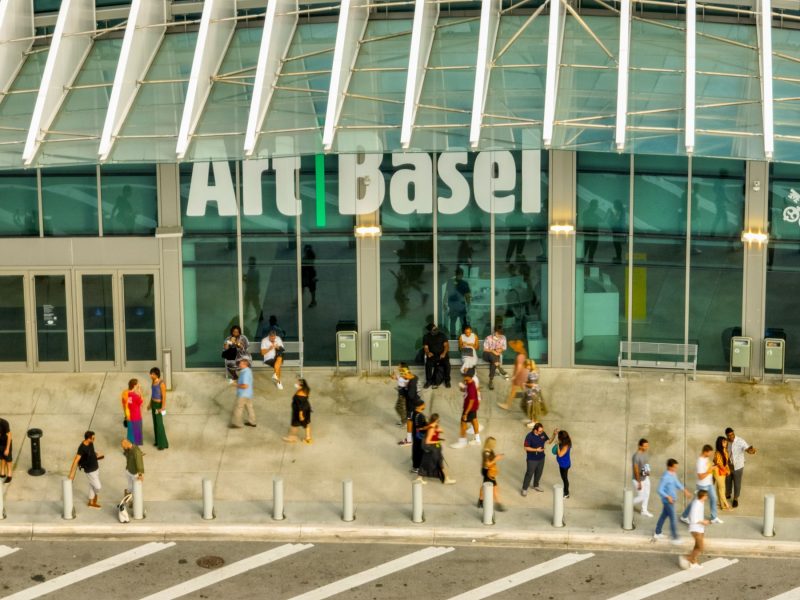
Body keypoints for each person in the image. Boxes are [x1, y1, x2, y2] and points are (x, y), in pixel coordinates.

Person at [680, 444, 723, 525]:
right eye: (709, 453)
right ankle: (684, 516)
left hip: (709, 484)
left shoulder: (706, 458)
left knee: (714, 498)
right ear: (705, 452)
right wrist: (710, 470)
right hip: (702, 485)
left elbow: (709, 468)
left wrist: (715, 466)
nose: (710, 454)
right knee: (695, 501)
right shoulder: (700, 461)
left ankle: (714, 518)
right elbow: (700, 477)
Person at [653, 458, 692, 544]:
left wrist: (685, 491)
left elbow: (677, 484)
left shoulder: (673, 474)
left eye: (676, 467)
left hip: (672, 500)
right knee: (673, 519)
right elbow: (659, 490)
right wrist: (668, 497)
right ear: (669, 467)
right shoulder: (665, 477)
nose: (675, 469)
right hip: (668, 501)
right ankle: (675, 538)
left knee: (663, 516)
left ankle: (657, 532)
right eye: (674, 467)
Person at [68, 431, 104, 509]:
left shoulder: (91, 443)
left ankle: (91, 502)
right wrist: (71, 473)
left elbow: (91, 451)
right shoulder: (82, 448)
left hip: (96, 467)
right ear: (88, 439)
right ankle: (94, 495)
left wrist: (96, 454)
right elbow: (76, 460)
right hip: (90, 470)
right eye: (93, 438)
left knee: (92, 485)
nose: (94, 439)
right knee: (98, 487)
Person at [417, 413, 456, 485]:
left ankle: (419, 478)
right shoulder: (431, 428)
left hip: (435, 448)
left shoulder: (433, 426)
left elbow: (441, 430)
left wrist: (437, 429)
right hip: (431, 448)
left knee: (430, 462)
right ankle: (446, 479)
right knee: (437, 462)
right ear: (437, 419)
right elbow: (427, 441)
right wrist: (437, 440)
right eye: (438, 419)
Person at [725, 426, 756, 508]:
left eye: (732, 434)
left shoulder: (740, 441)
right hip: (728, 465)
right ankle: (728, 493)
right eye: (729, 435)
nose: (731, 436)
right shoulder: (725, 442)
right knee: (727, 481)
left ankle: (735, 499)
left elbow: (747, 449)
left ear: (734, 433)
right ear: (726, 436)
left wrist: (751, 451)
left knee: (737, 483)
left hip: (738, 466)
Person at [679, 490, 710, 570]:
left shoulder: (701, 503)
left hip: (700, 529)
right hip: (695, 529)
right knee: (701, 547)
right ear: (702, 496)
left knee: (697, 546)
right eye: (706, 496)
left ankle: (693, 563)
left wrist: (703, 523)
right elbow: (693, 518)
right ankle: (687, 558)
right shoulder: (696, 504)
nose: (707, 497)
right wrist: (703, 521)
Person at [449, 371, 481, 449]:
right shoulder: (469, 382)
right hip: (473, 408)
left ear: (469, 377)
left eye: (465, 375)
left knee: (463, 423)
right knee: (474, 420)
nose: (463, 376)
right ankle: (477, 440)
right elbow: (467, 391)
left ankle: (462, 442)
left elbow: (471, 401)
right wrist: (462, 389)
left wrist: (466, 413)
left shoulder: (471, 387)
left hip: (469, 408)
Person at [521, 422, 550, 495]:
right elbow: (526, 447)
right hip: (532, 459)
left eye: (542, 430)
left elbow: (548, 441)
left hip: (541, 458)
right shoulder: (529, 436)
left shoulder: (542, 433)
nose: (542, 432)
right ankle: (524, 489)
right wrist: (536, 450)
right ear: (535, 430)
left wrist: (554, 434)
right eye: (540, 431)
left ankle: (536, 485)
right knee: (529, 473)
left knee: (539, 473)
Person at [498, 340, 528, 410]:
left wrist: (515, 376)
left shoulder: (520, 356)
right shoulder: (523, 354)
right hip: (522, 374)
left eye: (514, 347)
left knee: (520, 390)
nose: (513, 348)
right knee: (521, 390)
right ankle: (508, 404)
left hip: (520, 375)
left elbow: (519, 367)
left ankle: (508, 405)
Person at [478, 437, 505, 512]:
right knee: (494, 487)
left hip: (488, 471)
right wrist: (496, 459)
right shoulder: (486, 453)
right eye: (494, 443)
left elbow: (491, 459)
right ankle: (498, 504)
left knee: (485, 486)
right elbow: (488, 464)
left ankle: (480, 500)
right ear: (490, 444)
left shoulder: (490, 450)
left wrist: (497, 456)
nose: (495, 445)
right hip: (488, 471)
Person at [397, 367, 422, 446]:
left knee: (410, 421)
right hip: (416, 403)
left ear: (407, 374)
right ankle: (413, 438)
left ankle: (409, 440)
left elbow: (411, 396)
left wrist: (403, 390)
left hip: (411, 405)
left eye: (404, 376)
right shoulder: (415, 377)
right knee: (414, 420)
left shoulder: (411, 385)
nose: (404, 378)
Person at [283, 378, 312, 444]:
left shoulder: (300, 395)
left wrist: (301, 414)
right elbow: (304, 401)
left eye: (297, 384)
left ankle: (292, 438)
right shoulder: (306, 389)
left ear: (301, 385)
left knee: (294, 424)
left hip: (299, 411)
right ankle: (308, 438)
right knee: (306, 423)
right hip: (306, 408)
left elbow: (300, 406)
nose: (296, 384)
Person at [230, 358, 257, 429]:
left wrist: (235, 385)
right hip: (249, 394)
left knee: (238, 408)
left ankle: (237, 423)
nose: (239, 364)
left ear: (245, 364)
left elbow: (245, 386)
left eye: (240, 363)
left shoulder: (245, 373)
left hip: (243, 395)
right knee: (249, 408)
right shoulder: (248, 370)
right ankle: (252, 422)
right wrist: (238, 381)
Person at [422, 323, 450, 389]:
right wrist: (428, 352)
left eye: (436, 328)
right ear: (430, 331)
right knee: (428, 364)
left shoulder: (442, 335)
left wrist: (444, 353)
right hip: (432, 355)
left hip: (442, 355)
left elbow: (446, 345)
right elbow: (426, 347)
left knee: (447, 365)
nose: (436, 330)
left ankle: (447, 380)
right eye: (434, 329)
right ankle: (429, 381)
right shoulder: (426, 337)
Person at [147, 367, 169, 451]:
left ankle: (162, 444)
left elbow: (164, 396)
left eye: (152, 374)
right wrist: (149, 404)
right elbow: (152, 394)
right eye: (150, 373)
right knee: (155, 423)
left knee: (159, 424)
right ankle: (157, 441)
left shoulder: (161, 383)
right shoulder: (153, 381)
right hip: (153, 404)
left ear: (156, 374)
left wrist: (163, 407)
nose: (150, 375)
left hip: (159, 405)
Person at [445, 267, 471, 336]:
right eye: (459, 274)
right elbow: (467, 295)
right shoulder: (464, 283)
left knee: (455, 322)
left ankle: (454, 335)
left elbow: (446, 294)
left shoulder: (450, 282)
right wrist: (468, 305)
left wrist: (444, 303)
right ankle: (460, 335)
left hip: (454, 305)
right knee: (460, 322)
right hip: (459, 306)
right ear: (461, 274)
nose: (459, 276)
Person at [482, 325, 508, 390]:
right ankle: (499, 367)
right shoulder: (488, 338)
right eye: (498, 334)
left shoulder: (503, 338)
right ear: (495, 332)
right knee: (491, 355)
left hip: (495, 357)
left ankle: (491, 381)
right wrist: (493, 351)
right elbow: (485, 349)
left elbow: (504, 348)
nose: (500, 336)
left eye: (501, 334)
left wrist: (500, 350)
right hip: (486, 355)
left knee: (493, 363)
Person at [632, 438, 653, 517]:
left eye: (647, 446)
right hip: (638, 480)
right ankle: (627, 504)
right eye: (645, 446)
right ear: (640, 446)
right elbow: (636, 470)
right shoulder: (636, 456)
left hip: (646, 478)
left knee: (647, 494)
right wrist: (639, 482)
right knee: (641, 496)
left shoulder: (645, 454)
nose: (646, 447)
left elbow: (646, 464)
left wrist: (648, 472)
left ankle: (644, 510)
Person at [121, 379, 144, 446]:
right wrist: (140, 392)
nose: (139, 385)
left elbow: (125, 404)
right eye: (137, 384)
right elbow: (141, 403)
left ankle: (128, 447)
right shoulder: (135, 396)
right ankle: (136, 450)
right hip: (136, 417)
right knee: (137, 435)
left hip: (129, 417)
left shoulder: (126, 394)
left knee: (130, 433)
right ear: (134, 386)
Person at [410, 399, 428, 473]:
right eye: (423, 404)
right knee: (419, 451)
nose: (424, 405)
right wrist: (429, 426)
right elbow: (420, 428)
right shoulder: (419, 415)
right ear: (419, 406)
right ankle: (417, 467)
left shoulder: (413, 413)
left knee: (416, 450)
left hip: (415, 435)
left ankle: (415, 466)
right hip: (419, 436)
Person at [713, 436, 731, 511]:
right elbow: (719, 464)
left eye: (726, 442)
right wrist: (726, 470)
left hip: (722, 472)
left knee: (719, 488)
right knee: (722, 488)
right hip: (717, 471)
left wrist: (728, 470)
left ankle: (722, 505)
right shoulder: (717, 452)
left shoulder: (726, 451)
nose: (726, 443)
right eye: (724, 442)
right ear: (720, 443)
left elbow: (726, 463)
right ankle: (726, 504)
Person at [554, 429, 572, 498]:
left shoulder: (565, 446)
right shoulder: (568, 440)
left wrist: (557, 445)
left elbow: (560, 455)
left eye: (559, 436)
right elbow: (568, 436)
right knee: (564, 478)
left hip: (564, 465)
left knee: (564, 479)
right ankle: (566, 490)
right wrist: (558, 432)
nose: (558, 438)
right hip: (563, 463)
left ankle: (566, 493)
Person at [0, 417, 11, 484]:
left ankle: (9, 474)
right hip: (0, 443)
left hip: (6, 442)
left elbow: (9, 435)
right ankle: (2, 472)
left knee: (8, 459)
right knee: (2, 458)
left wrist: (7, 448)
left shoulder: (4, 423)